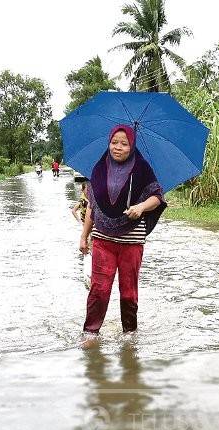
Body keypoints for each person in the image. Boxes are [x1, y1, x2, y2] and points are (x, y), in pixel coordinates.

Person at [79, 125, 166, 336]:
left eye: (124, 143)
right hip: (102, 238)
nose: (118, 147)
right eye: (114, 142)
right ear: (108, 143)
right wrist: (83, 236)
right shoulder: (98, 169)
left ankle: (130, 334)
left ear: (132, 145)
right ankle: (90, 333)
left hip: (132, 240)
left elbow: (157, 197)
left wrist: (140, 207)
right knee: (99, 290)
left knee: (128, 293)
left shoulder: (143, 169)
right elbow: (92, 205)